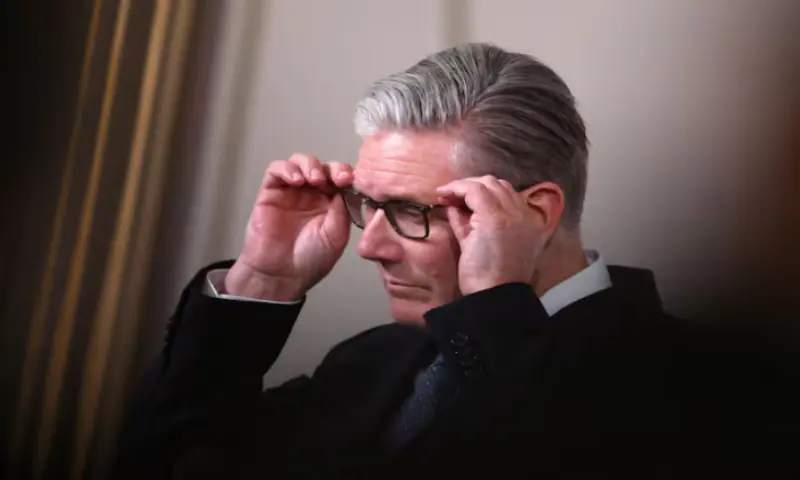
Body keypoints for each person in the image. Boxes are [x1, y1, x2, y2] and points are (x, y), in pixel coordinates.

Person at [116, 43, 796, 478]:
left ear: (535, 213)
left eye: (412, 212)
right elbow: (166, 460)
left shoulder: (701, 380)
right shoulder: (370, 362)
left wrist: (492, 308)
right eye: (366, 205)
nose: (369, 245)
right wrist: (261, 282)